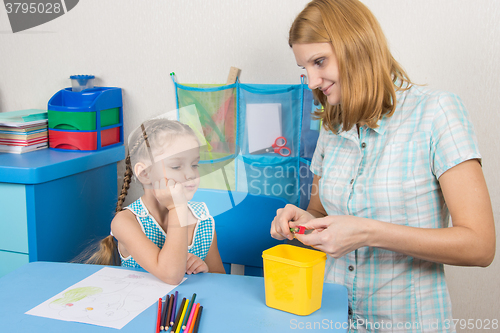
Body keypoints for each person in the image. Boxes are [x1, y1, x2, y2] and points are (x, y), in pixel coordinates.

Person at [271, 0, 495, 331]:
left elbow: (480, 246)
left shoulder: (436, 113)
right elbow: (319, 211)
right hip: (331, 320)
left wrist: (368, 232)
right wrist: (304, 221)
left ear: (356, 46)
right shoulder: (333, 128)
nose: (314, 81)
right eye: (306, 69)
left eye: (320, 62)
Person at [85, 118, 225, 284]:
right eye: (177, 166)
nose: (191, 174)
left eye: (194, 165)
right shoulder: (125, 222)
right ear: (145, 173)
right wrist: (176, 208)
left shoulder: (202, 220)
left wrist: (204, 270)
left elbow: (221, 280)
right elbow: (171, 275)